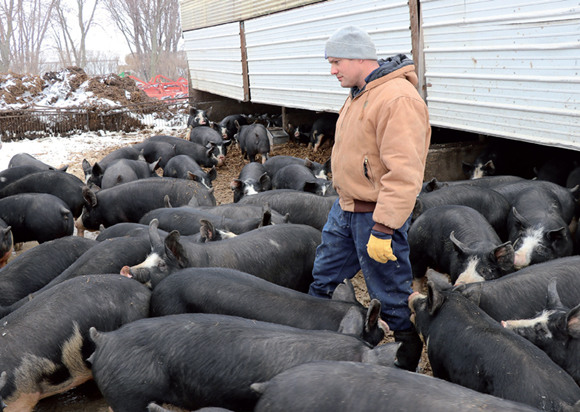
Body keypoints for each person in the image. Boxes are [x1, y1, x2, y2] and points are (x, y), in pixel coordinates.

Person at [308, 25, 431, 372]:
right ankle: (317, 351)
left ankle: (405, 365)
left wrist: (385, 226)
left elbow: (405, 172)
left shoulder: (397, 98)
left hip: (375, 215)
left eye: (336, 62)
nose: (332, 70)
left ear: (360, 57)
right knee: (323, 279)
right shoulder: (360, 91)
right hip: (345, 208)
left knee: (391, 294)